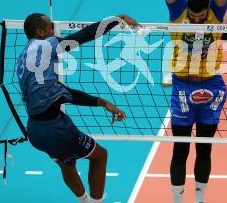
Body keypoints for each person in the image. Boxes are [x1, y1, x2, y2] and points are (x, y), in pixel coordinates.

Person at [16, 13, 138, 203]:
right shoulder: (48, 44)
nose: (53, 30)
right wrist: (114, 20)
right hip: (56, 129)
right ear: (40, 32)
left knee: (67, 163)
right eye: (50, 27)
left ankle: (85, 201)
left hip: (34, 130)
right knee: (99, 156)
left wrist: (103, 103)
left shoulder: (22, 56)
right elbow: (83, 37)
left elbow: (60, 92)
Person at [151, 0, 227, 203]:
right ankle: (177, 200)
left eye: (200, 17)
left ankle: (199, 200)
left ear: (208, 9)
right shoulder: (178, 9)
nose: (196, 22)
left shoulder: (217, 12)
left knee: (205, 150)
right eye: (193, 18)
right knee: (180, 149)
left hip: (212, 86)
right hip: (182, 86)